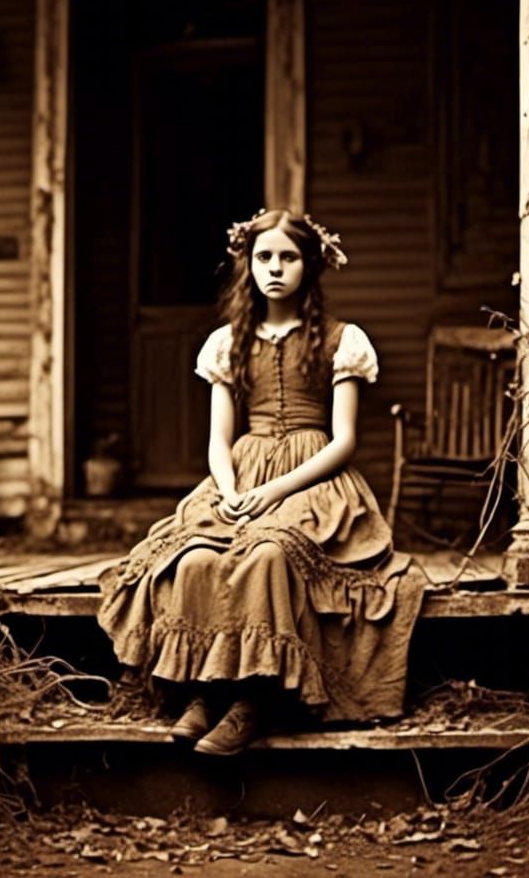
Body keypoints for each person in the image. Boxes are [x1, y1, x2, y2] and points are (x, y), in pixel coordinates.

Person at [97, 209, 425, 755]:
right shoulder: (228, 343)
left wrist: (275, 492)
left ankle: (254, 700)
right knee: (198, 558)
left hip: (314, 476)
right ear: (247, 264)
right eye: (263, 257)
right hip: (241, 472)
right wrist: (227, 491)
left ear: (309, 266)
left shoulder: (342, 340)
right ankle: (205, 690)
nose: (275, 268)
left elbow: (344, 442)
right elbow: (218, 440)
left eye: (288, 258)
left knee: (269, 554)